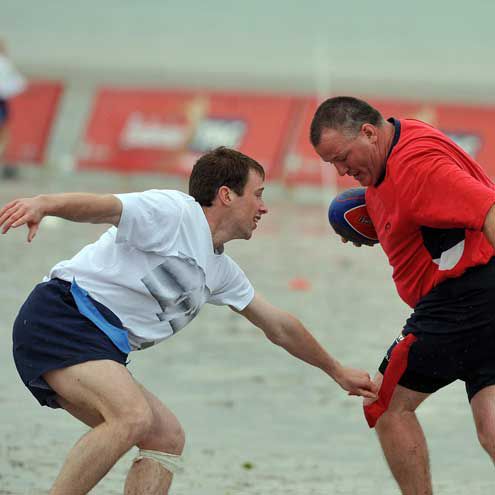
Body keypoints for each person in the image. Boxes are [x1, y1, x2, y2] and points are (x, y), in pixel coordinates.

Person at [0, 146, 377, 495]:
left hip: (98, 342)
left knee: (165, 438)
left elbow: (279, 326)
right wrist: (44, 203)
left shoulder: (220, 269)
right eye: (258, 194)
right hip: (62, 316)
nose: (264, 208)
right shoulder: (174, 212)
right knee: (131, 416)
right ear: (227, 195)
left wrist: (336, 370)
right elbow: (102, 207)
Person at [310, 96, 495, 494]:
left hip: (460, 305)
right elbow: (424, 214)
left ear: (369, 132)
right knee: (492, 429)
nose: (342, 171)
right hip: (479, 304)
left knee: (385, 405)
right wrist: (382, 223)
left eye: (342, 158)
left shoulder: (418, 167)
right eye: (333, 165)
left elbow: (489, 210)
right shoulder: (399, 139)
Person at [0, 39, 27, 179]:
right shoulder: (4, 63)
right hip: (1, 102)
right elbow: (19, 83)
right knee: (3, 134)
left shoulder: (4, 63)